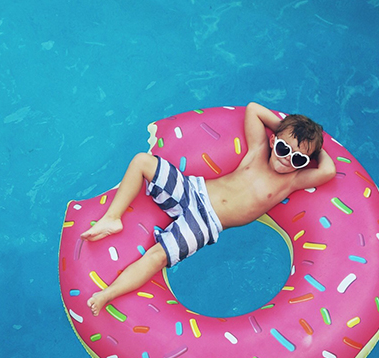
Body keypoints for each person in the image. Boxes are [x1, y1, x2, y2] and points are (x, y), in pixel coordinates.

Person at [81, 102, 337, 316]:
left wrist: (316, 150)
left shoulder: (292, 180)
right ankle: (113, 218)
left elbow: (328, 171)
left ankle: (107, 294)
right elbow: (253, 110)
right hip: (194, 190)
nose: (286, 159)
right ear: (273, 140)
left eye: (298, 159)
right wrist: (288, 132)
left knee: (157, 256)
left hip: (206, 224)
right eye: (283, 148)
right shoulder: (258, 150)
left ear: (305, 163)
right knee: (142, 161)